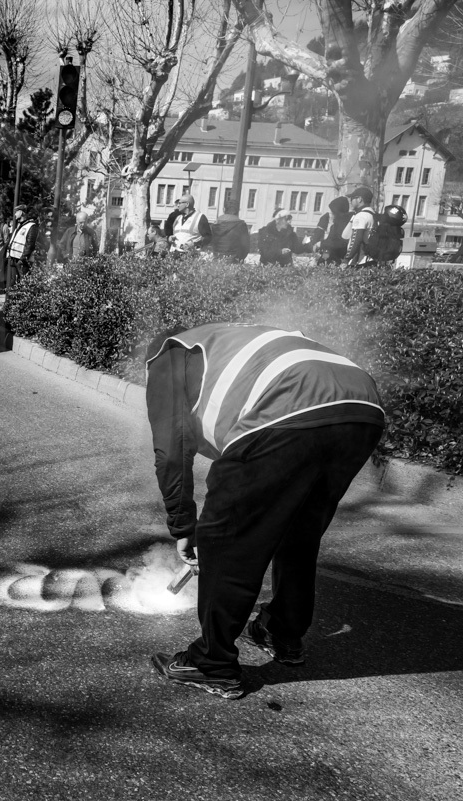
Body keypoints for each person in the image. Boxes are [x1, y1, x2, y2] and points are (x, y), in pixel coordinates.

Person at [145, 323, 384, 699]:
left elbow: (172, 451)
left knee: (227, 539)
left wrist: (185, 528)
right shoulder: (232, 337)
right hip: (363, 409)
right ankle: (283, 632)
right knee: (300, 530)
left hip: (290, 410)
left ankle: (211, 663)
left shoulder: (169, 356)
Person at [343, 187, 377, 268]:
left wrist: (346, 259)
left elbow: (356, 239)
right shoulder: (373, 214)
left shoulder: (361, 216)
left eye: (352, 198)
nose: (350, 201)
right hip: (372, 260)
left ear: (359, 199)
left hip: (361, 262)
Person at [208, 197, 251, 262]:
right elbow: (245, 247)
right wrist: (239, 259)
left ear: (224, 209)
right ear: (238, 210)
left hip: (217, 261)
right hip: (234, 262)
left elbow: (211, 243)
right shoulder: (241, 225)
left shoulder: (215, 224)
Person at [314, 196, 352, 266]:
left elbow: (336, 243)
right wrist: (323, 258)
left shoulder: (340, 225)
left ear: (337, 211)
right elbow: (327, 248)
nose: (331, 214)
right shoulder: (336, 225)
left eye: (332, 211)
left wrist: (321, 244)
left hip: (337, 260)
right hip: (331, 257)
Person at [6, 204, 38, 283]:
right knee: (14, 282)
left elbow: (30, 244)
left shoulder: (31, 226)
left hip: (22, 261)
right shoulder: (20, 225)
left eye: (16, 212)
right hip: (14, 259)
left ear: (21, 212)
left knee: (23, 282)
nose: (15, 214)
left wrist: (23, 259)